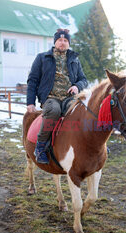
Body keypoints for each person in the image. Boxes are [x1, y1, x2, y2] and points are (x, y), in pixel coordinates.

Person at [27, 28, 88, 164]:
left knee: (81, 112)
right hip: (50, 97)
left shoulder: (74, 60)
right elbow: (33, 80)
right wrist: (30, 102)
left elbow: (84, 79)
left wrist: (77, 86)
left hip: (69, 97)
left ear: (69, 43)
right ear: (55, 42)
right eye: (60, 40)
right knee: (54, 111)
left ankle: (90, 144)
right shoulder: (42, 58)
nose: (62, 42)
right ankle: (41, 147)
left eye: (65, 40)